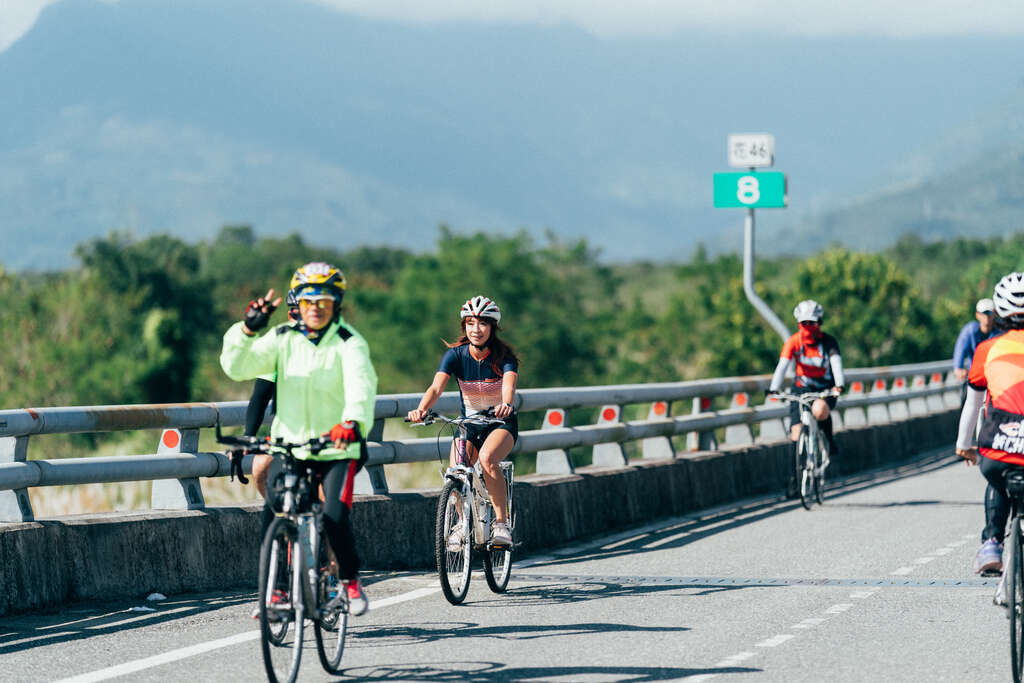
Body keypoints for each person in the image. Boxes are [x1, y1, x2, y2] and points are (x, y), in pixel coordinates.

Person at [220, 261, 377, 615]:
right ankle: (275, 590)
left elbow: (361, 387)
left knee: (333, 516)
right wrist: (247, 330)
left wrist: (352, 422)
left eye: (323, 301)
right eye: (308, 301)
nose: (315, 308)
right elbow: (238, 368)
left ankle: (348, 580)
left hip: (337, 448)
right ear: (298, 304)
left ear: (336, 303)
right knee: (274, 509)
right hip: (291, 447)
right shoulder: (282, 338)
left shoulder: (349, 343)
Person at [406, 296, 519, 547]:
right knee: (456, 470)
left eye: (482, 323)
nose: (476, 329)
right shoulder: (454, 356)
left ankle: (501, 523)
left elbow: (509, 385)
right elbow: (436, 388)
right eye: (470, 323)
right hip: (469, 423)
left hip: (500, 423)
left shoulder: (505, 357)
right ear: (464, 326)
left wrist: (506, 403)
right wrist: (421, 409)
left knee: (488, 459)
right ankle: (460, 523)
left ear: (492, 327)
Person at [956, 273, 1024, 576]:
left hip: (998, 444)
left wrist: (963, 446)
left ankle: (992, 544)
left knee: (997, 480)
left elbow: (972, 405)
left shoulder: (986, 349)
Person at [767, 299, 845, 497]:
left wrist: (839, 385)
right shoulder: (794, 341)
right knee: (795, 432)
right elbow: (782, 366)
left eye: (812, 323)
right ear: (799, 323)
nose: (809, 327)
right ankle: (794, 482)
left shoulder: (828, 342)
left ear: (819, 322)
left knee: (819, 410)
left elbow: (836, 363)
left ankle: (829, 440)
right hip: (801, 388)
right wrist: (774, 389)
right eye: (805, 323)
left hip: (824, 388)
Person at [953, 298, 996, 403]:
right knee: (968, 403)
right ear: (977, 315)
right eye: (984, 313)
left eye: (990, 313)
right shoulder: (969, 331)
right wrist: (958, 368)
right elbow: (959, 350)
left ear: (995, 314)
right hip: (975, 378)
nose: (987, 317)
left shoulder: (1000, 332)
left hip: (994, 378)